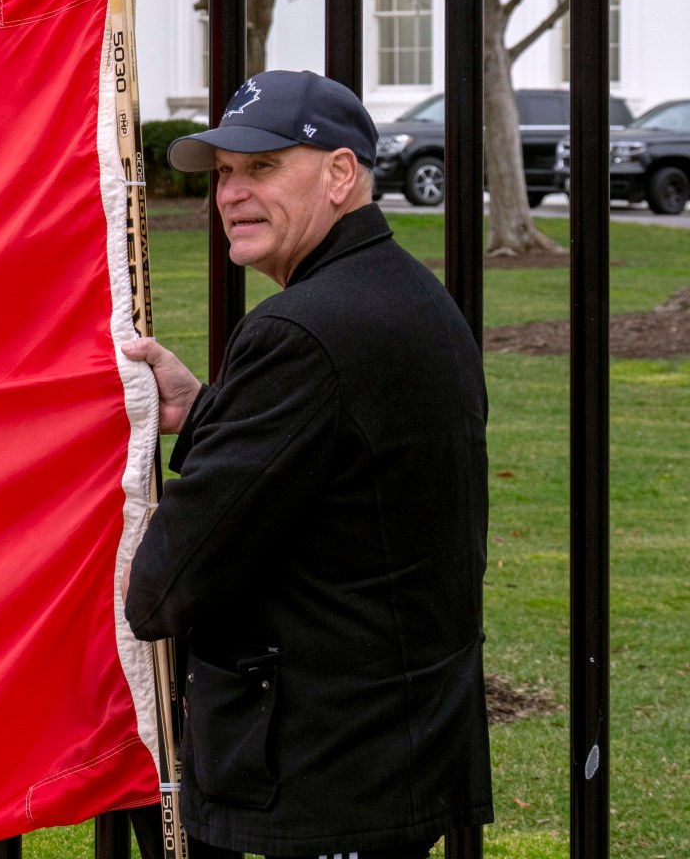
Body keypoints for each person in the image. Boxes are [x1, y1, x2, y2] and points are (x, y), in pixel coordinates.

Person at [123, 70, 492, 859]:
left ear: (339, 174)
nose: (231, 193)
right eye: (223, 173)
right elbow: (339, 468)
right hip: (396, 750)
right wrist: (208, 411)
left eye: (262, 167)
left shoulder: (300, 330)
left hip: (319, 770)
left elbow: (168, 586)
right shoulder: (411, 296)